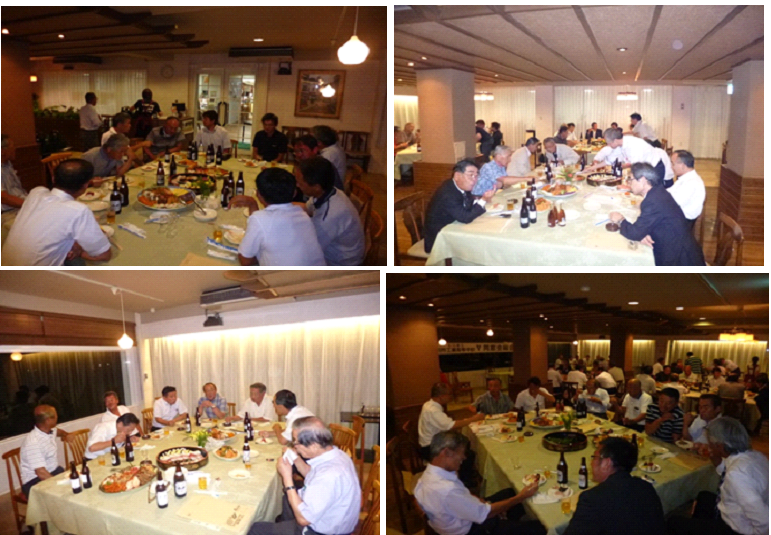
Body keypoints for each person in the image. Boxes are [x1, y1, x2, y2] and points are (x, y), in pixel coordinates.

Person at [247, 417, 360, 535]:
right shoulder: (335, 454)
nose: (295, 446)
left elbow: (303, 520)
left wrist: (287, 478)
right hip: (325, 516)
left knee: (255, 529)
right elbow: (312, 475)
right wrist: (295, 458)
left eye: (296, 442)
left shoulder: (328, 476)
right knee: (286, 500)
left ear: (314, 446)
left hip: (318, 531)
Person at [415, 431, 543, 535]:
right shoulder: (447, 489)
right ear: (447, 452)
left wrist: (484, 503)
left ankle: (512, 523)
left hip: (466, 516)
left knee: (510, 492)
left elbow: (463, 496)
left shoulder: (429, 475)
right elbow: (486, 513)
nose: (464, 457)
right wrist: (521, 496)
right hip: (473, 530)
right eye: (461, 453)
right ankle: (514, 525)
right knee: (539, 528)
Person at [666, 417, 768, 535]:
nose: (708, 445)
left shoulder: (737, 475)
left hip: (734, 528)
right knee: (703, 496)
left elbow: (764, 521)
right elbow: (726, 471)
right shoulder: (754, 456)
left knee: (673, 521)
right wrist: (713, 455)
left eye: (710, 443)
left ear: (719, 446)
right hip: (734, 511)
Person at [3, 160, 111, 266]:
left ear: (53, 178)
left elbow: (52, 228)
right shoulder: (78, 210)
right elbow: (104, 255)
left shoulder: (36, 193)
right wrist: (80, 253)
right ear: (85, 186)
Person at [609, 162, 706, 266]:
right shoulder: (657, 192)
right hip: (678, 247)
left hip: (680, 259)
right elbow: (645, 227)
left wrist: (621, 220)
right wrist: (643, 233)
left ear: (643, 180)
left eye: (631, 179)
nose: (628, 183)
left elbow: (634, 233)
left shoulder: (653, 201)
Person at [563, 437, 665, 535]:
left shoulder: (592, 499)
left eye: (594, 457)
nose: (591, 463)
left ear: (606, 463)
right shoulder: (646, 487)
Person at [235, 168, 326, 266]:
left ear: (258, 195)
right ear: (294, 193)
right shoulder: (303, 215)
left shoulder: (259, 219)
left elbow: (245, 260)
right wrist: (252, 204)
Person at [295, 157, 364, 266]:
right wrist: (276, 206)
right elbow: (306, 208)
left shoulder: (330, 216)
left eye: (300, 183)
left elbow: (310, 250)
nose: (297, 185)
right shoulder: (329, 191)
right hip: (331, 248)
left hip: (341, 262)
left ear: (316, 187)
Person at [423, 159, 492, 254]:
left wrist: (481, 200)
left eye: (476, 175)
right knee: (481, 244)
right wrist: (483, 200)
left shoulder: (460, 186)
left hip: (453, 228)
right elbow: (465, 217)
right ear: (457, 176)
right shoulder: (448, 193)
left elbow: (468, 206)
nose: (474, 179)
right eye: (471, 175)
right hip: (438, 239)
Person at [419, 383, 485, 460]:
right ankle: (461, 466)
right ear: (441, 396)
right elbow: (451, 425)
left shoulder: (429, 404)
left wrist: (466, 421)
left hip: (434, 442)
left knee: (465, 441)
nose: (451, 396)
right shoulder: (433, 410)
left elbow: (446, 424)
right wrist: (474, 419)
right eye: (449, 394)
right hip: (430, 448)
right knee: (468, 454)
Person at [20, 405, 74, 497]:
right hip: (35, 481)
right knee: (66, 494)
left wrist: (66, 434)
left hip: (53, 471)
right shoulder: (33, 442)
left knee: (77, 482)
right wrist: (58, 485)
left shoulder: (49, 430)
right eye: (55, 416)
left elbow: (58, 431)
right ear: (48, 420)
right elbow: (41, 473)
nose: (57, 417)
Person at [603, 128, 668, 185]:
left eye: (608, 143)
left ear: (615, 141)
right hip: (645, 168)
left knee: (651, 191)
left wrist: (630, 182)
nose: (608, 145)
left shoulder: (632, 145)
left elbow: (636, 167)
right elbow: (610, 160)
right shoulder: (621, 143)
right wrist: (596, 166)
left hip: (654, 169)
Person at [667, 150, 705, 227]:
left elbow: (672, 203)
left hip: (681, 223)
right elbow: (670, 192)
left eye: (673, 164)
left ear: (683, 166)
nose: (671, 167)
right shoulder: (686, 178)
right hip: (676, 216)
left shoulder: (692, 183)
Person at [311, 125, 346, 191]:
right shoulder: (334, 147)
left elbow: (319, 175)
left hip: (332, 189)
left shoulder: (330, 153)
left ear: (319, 143)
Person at [1, 135, 28, 218]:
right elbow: (3, 198)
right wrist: (28, 204)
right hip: (7, 213)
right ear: (2, 151)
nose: (14, 149)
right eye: (12, 147)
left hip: (20, 206)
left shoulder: (7, 164)